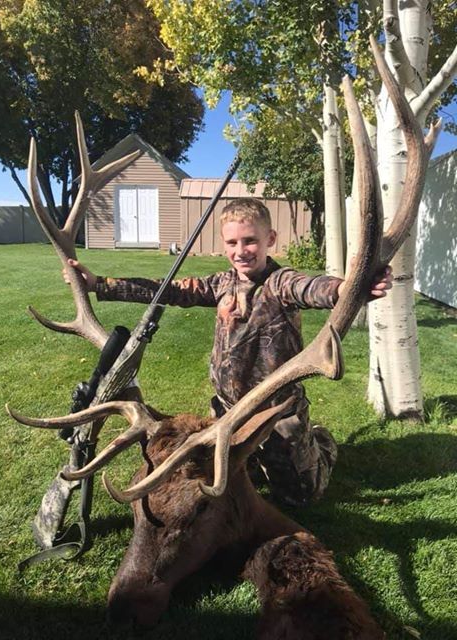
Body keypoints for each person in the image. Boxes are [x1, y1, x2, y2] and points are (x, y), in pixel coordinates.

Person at [65, 198, 392, 506]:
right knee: (214, 484)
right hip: (226, 414)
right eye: (232, 243)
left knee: (302, 498)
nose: (241, 251)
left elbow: (313, 288)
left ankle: (320, 441)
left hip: (277, 415)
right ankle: (258, 458)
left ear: (270, 239)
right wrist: (100, 284)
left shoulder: (280, 283)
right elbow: (172, 290)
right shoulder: (222, 284)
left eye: (250, 241)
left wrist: (348, 288)